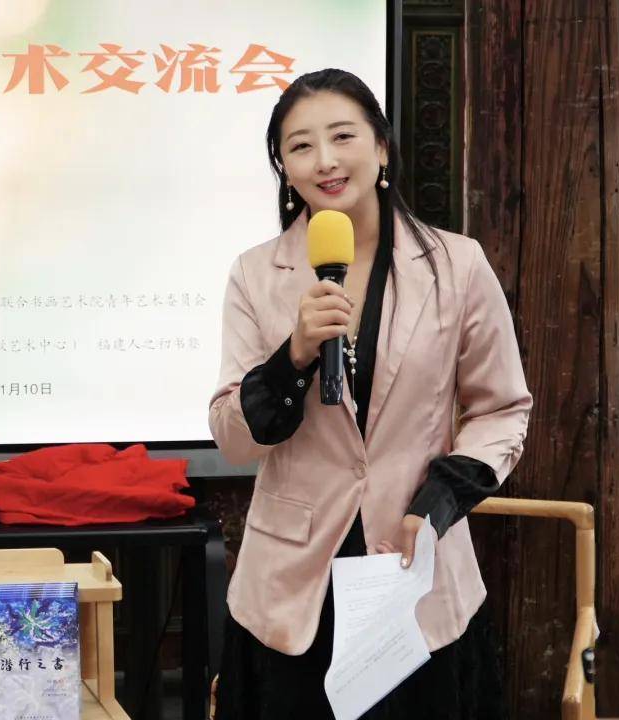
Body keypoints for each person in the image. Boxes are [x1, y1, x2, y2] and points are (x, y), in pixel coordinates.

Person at [208, 68, 532, 718]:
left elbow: (500, 408)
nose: (325, 160)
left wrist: (438, 502)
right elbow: (232, 436)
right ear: (283, 167)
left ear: (381, 147)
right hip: (292, 593)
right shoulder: (255, 274)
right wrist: (294, 356)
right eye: (301, 146)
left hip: (416, 573)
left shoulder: (457, 265)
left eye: (342, 136)